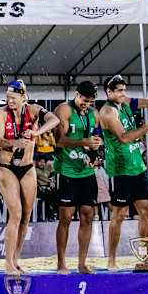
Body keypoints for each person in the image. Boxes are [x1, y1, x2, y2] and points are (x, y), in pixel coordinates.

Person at [100, 74, 148, 272]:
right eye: (119, 90)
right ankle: (112, 260)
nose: (123, 93)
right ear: (109, 92)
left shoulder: (125, 102)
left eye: (124, 89)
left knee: (146, 210)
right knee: (120, 214)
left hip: (137, 165)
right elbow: (124, 138)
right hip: (120, 169)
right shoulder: (107, 112)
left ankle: (146, 259)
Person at [0, 80, 60, 275]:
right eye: (7, 97)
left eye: (13, 98)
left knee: (26, 215)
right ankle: (7, 262)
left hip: (27, 167)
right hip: (6, 167)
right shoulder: (1, 113)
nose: (9, 101)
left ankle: (16, 259)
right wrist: (16, 142)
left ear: (23, 97)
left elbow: (54, 120)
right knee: (15, 213)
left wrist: (36, 132)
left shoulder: (33, 110)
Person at [52, 81, 103, 275]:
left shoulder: (94, 114)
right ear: (76, 94)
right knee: (65, 217)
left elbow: (96, 140)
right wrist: (84, 141)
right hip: (67, 170)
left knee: (88, 216)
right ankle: (61, 263)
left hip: (86, 172)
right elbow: (60, 140)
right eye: (84, 100)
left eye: (90, 102)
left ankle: (82, 264)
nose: (86, 105)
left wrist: (95, 155)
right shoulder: (63, 110)